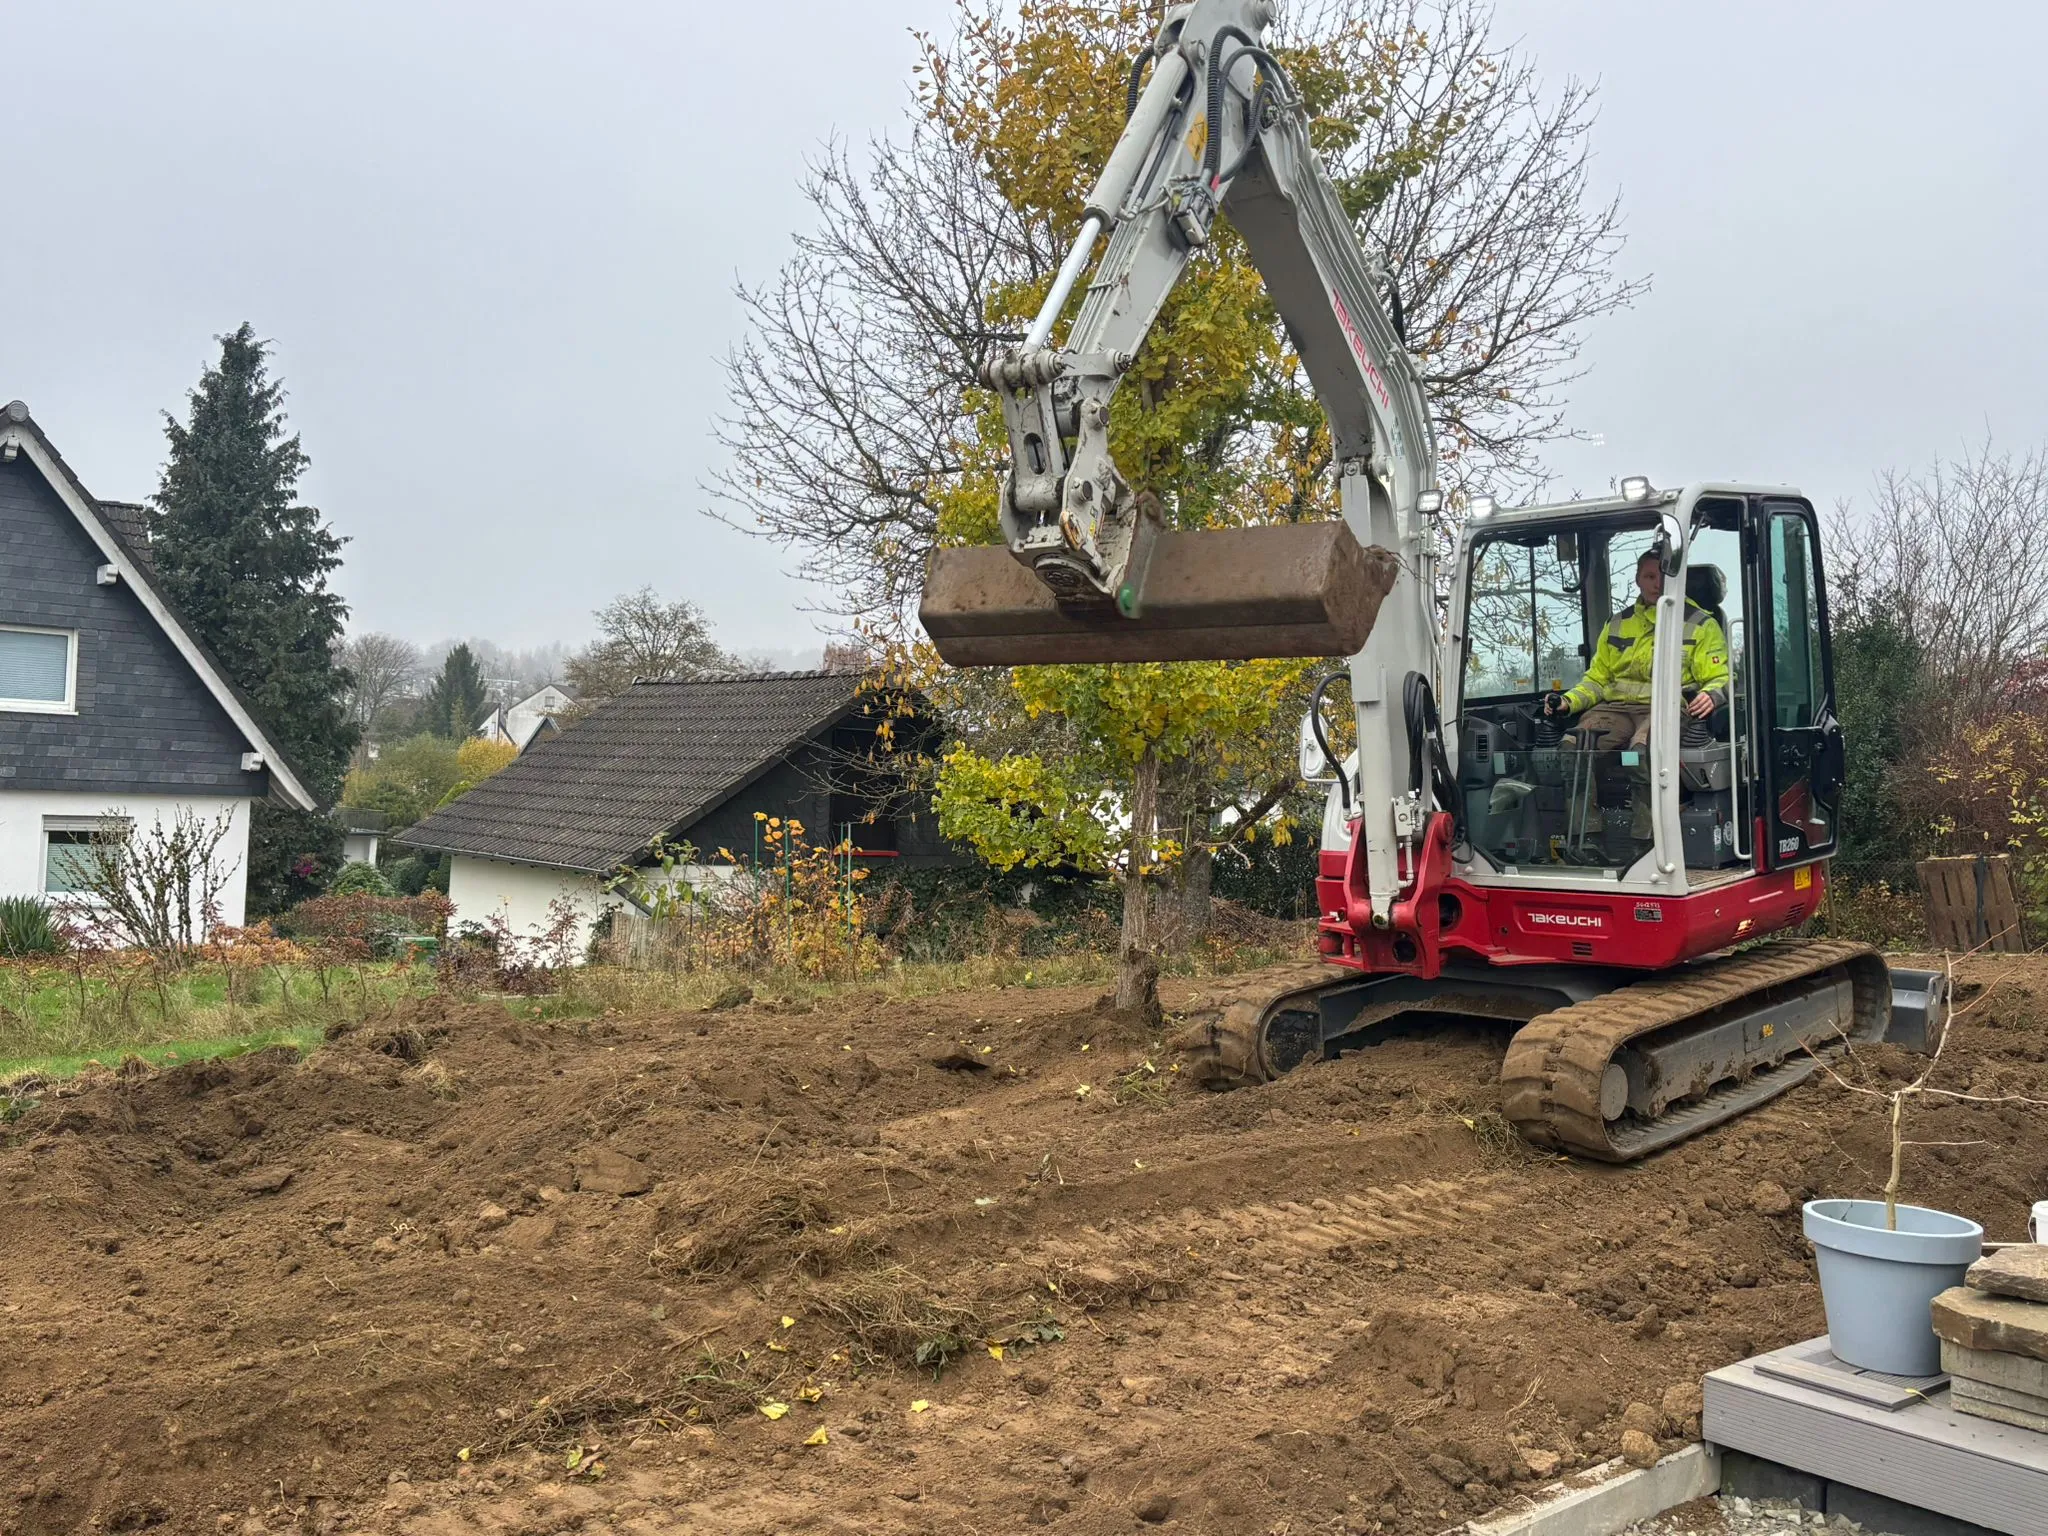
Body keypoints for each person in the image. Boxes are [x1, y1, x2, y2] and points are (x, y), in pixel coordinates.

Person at [1544, 548, 1729, 752]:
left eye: (1664, 576)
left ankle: (1644, 785)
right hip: (1614, 710)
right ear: (1637, 580)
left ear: (1677, 579)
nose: (1657, 584)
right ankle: (1580, 786)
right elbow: (1597, 680)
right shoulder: (1616, 623)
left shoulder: (1702, 625)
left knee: (1641, 751)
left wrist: (1712, 694)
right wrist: (1567, 701)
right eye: (1649, 577)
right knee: (1573, 746)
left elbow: (1720, 677)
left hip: (1666, 710)